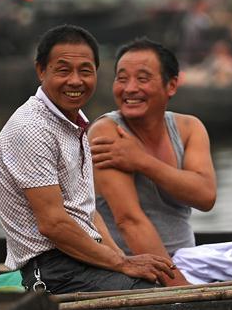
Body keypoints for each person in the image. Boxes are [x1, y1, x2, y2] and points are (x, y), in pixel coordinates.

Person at [0, 25, 175, 293]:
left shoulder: (74, 125)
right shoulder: (31, 127)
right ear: (41, 70)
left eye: (85, 71)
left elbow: (87, 211)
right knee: (148, 294)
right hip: (53, 271)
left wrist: (123, 260)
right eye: (63, 70)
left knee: (150, 280)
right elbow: (53, 224)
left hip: (81, 258)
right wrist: (122, 263)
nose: (75, 81)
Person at [90, 38, 217, 287]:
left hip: (186, 262)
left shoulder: (189, 128)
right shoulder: (107, 133)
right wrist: (180, 288)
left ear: (171, 85)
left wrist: (142, 161)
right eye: (122, 78)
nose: (130, 88)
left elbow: (205, 196)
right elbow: (129, 221)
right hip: (132, 270)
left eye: (143, 78)